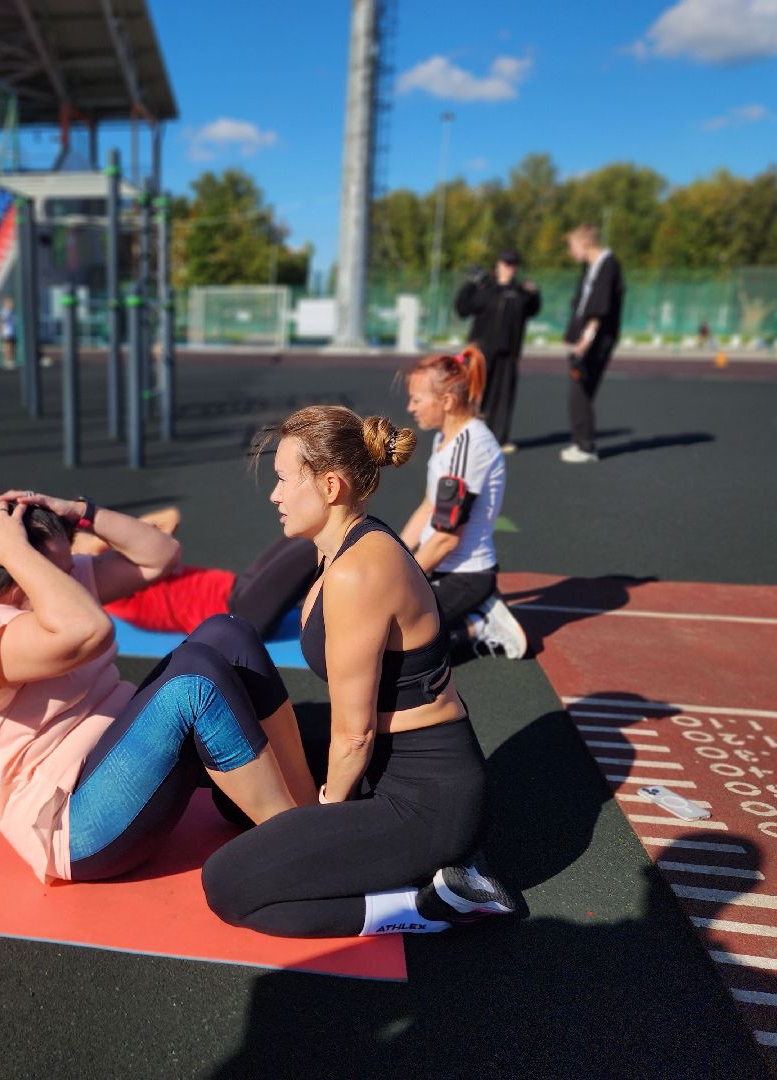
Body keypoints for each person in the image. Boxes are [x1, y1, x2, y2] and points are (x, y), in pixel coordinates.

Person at [201, 406, 514, 938]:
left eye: (282, 480)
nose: (274, 495)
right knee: (233, 797)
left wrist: (326, 813)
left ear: (329, 486)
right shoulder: (341, 548)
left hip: (424, 799)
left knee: (229, 885)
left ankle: (434, 903)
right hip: (391, 763)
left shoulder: (358, 572)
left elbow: (354, 736)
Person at [0, 491, 317, 884]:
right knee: (193, 677)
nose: (71, 575)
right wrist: (16, 551)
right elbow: (88, 632)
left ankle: (304, 811)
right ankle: (293, 852)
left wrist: (84, 514)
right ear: (17, 569)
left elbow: (161, 555)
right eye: (57, 571)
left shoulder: (48, 588)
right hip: (75, 827)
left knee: (228, 633)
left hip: (125, 765)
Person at [400, 347, 527, 659]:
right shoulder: (445, 438)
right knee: (384, 619)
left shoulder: (469, 449)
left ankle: (480, 622)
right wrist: (397, 557)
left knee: (400, 646)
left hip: (466, 575)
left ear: (446, 401)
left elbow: (445, 539)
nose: (410, 408)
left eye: (417, 400)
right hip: (438, 567)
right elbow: (429, 505)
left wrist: (403, 578)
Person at [72, 507, 318, 640]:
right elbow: (93, 548)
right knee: (316, 543)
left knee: (304, 532)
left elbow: (170, 516)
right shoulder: (110, 582)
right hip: (238, 615)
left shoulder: (131, 560)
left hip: (240, 587)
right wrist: (92, 525)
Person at [452, 250, 540, 452]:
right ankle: (465, 435)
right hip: (480, 352)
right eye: (506, 263)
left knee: (502, 398)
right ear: (498, 264)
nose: (510, 268)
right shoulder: (484, 288)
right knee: (474, 394)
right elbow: (462, 309)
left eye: (513, 264)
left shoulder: (520, 292)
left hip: (508, 352)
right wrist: (471, 284)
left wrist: (534, 293)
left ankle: (498, 440)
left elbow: (533, 309)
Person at [562, 225, 625, 463]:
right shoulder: (591, 267)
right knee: (579, 389)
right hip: (585, 337)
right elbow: (581, 303)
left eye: (572, 247)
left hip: (597, 340)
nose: (571, 252)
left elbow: (600, 306)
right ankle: (581, 443)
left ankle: (586, 447)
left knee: (580, 388)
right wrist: (571, 335)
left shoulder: (608, 264)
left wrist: (585, 340)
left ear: (585, 243)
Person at [0, 296, 17, 369]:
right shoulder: (4, 312)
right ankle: (7, 360)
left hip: (12, 331)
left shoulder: (12, 311)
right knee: (8, 346)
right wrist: (2, 331)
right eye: (9, 303)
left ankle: (11, 359)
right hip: (7, 332)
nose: (11, 304)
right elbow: (2, 321)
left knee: (12, 346)